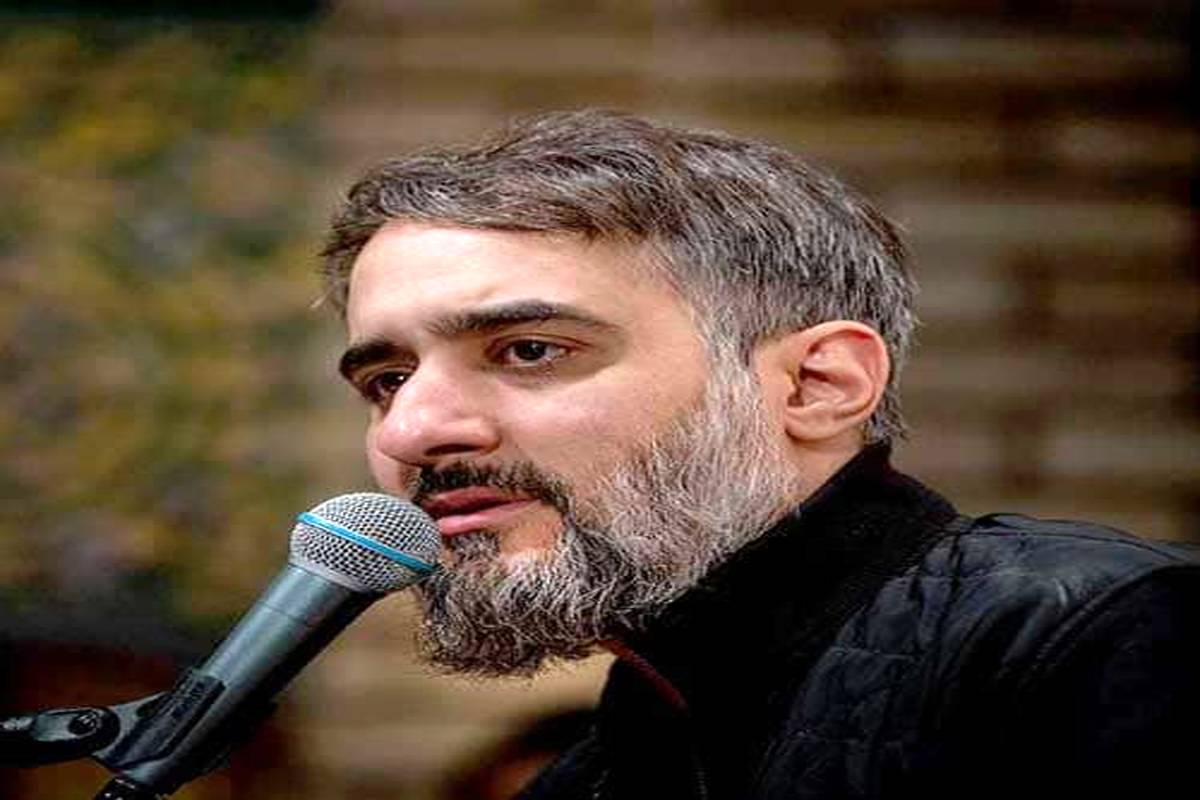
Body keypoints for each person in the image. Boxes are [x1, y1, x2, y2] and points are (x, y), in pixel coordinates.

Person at [319, 110, 1198, 799]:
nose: (409, 432)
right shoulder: (598, 768)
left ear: (817, 384)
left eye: (529, 350)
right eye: (388, 380)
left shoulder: (1101, 639)